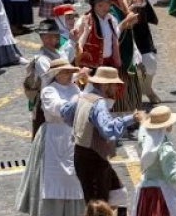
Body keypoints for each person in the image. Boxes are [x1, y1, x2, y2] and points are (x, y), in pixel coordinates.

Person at [60, 67, 146, 216]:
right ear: (106, 85)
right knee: (97, 206)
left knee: (119, 194)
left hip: (86, 156)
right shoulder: (99, 104)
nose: (115, 88)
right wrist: (132, 118)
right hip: (93, 160)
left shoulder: (83, 96)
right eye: (113, 85)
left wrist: (81, 126)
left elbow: (65, 112)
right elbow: (108, 129)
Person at [16, 59, 85, 216]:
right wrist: (83, 96)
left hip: (72, 136)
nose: (68, 75)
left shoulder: (75, 88)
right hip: (54, 137)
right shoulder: (49, 91)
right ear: (56, 74)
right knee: (53, 178)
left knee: (75, 176)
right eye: (65, 72)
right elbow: (60, 109)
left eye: (69, 72)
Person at [122, 0, 175, 104]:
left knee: (150, 61)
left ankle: (147, 88)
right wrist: (128, 1)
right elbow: (113, 0)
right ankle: (132, 93)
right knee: (131, 63)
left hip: (142, 27)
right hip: (126, 29)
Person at [131, 106, 176, 216]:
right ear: (167, 125)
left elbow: (141, 137)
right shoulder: (167, 150)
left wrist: (142, 121)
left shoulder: (148, 142)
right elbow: (174, 178)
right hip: (162, 197)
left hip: (145, 194)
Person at [105, 0, 143, 114]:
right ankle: (119, 115)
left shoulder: (122, 3)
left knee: (130, 83)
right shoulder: (111, 9)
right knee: (120, 83)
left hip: (127, 49)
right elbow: (113, 33)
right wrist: (126, 21)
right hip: (118, 53)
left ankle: (131, 113)